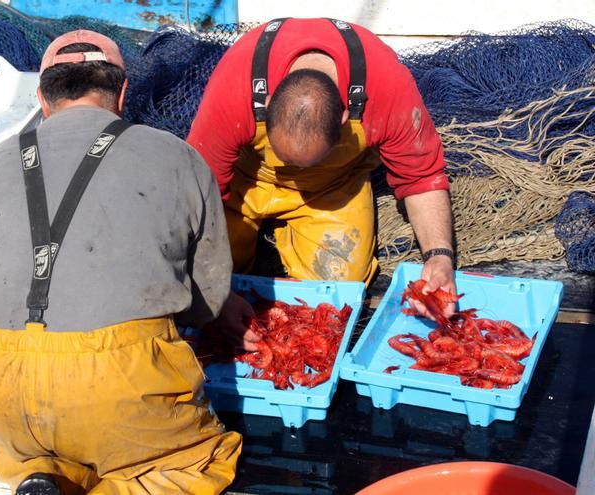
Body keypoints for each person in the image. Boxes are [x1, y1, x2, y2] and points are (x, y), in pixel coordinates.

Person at [0, 30, 242, 495]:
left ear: (43, 100)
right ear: (122, 93)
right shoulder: (177, 155)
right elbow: (206, 297)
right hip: (113, 376)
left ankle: (41, 474)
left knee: (29, 444)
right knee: (191, 465)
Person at [187, 18, 456, 347]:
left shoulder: (386, 84)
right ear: (268, 104)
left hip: (331, 188)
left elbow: (422, 177)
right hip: (248, 183)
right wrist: (213, 292)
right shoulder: (235, 84)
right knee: (203, 280)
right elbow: (196, 192)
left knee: (337, 294)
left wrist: (440, 256)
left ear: (345, 120)